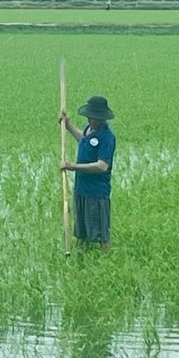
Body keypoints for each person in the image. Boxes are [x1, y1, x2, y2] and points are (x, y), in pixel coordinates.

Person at [59, 95, 116, 249]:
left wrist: (73, 166)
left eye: (95, 118)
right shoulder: (89, 130)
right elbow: (82, 139)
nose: (92, 121)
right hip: (81, 188)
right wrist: (68, 125)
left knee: (101, 233)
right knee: (81, 230)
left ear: (102, 118)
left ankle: (106, 257)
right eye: (90, 117)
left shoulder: (107, 137)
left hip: (96, 191)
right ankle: (81, 254)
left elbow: (102, 166)